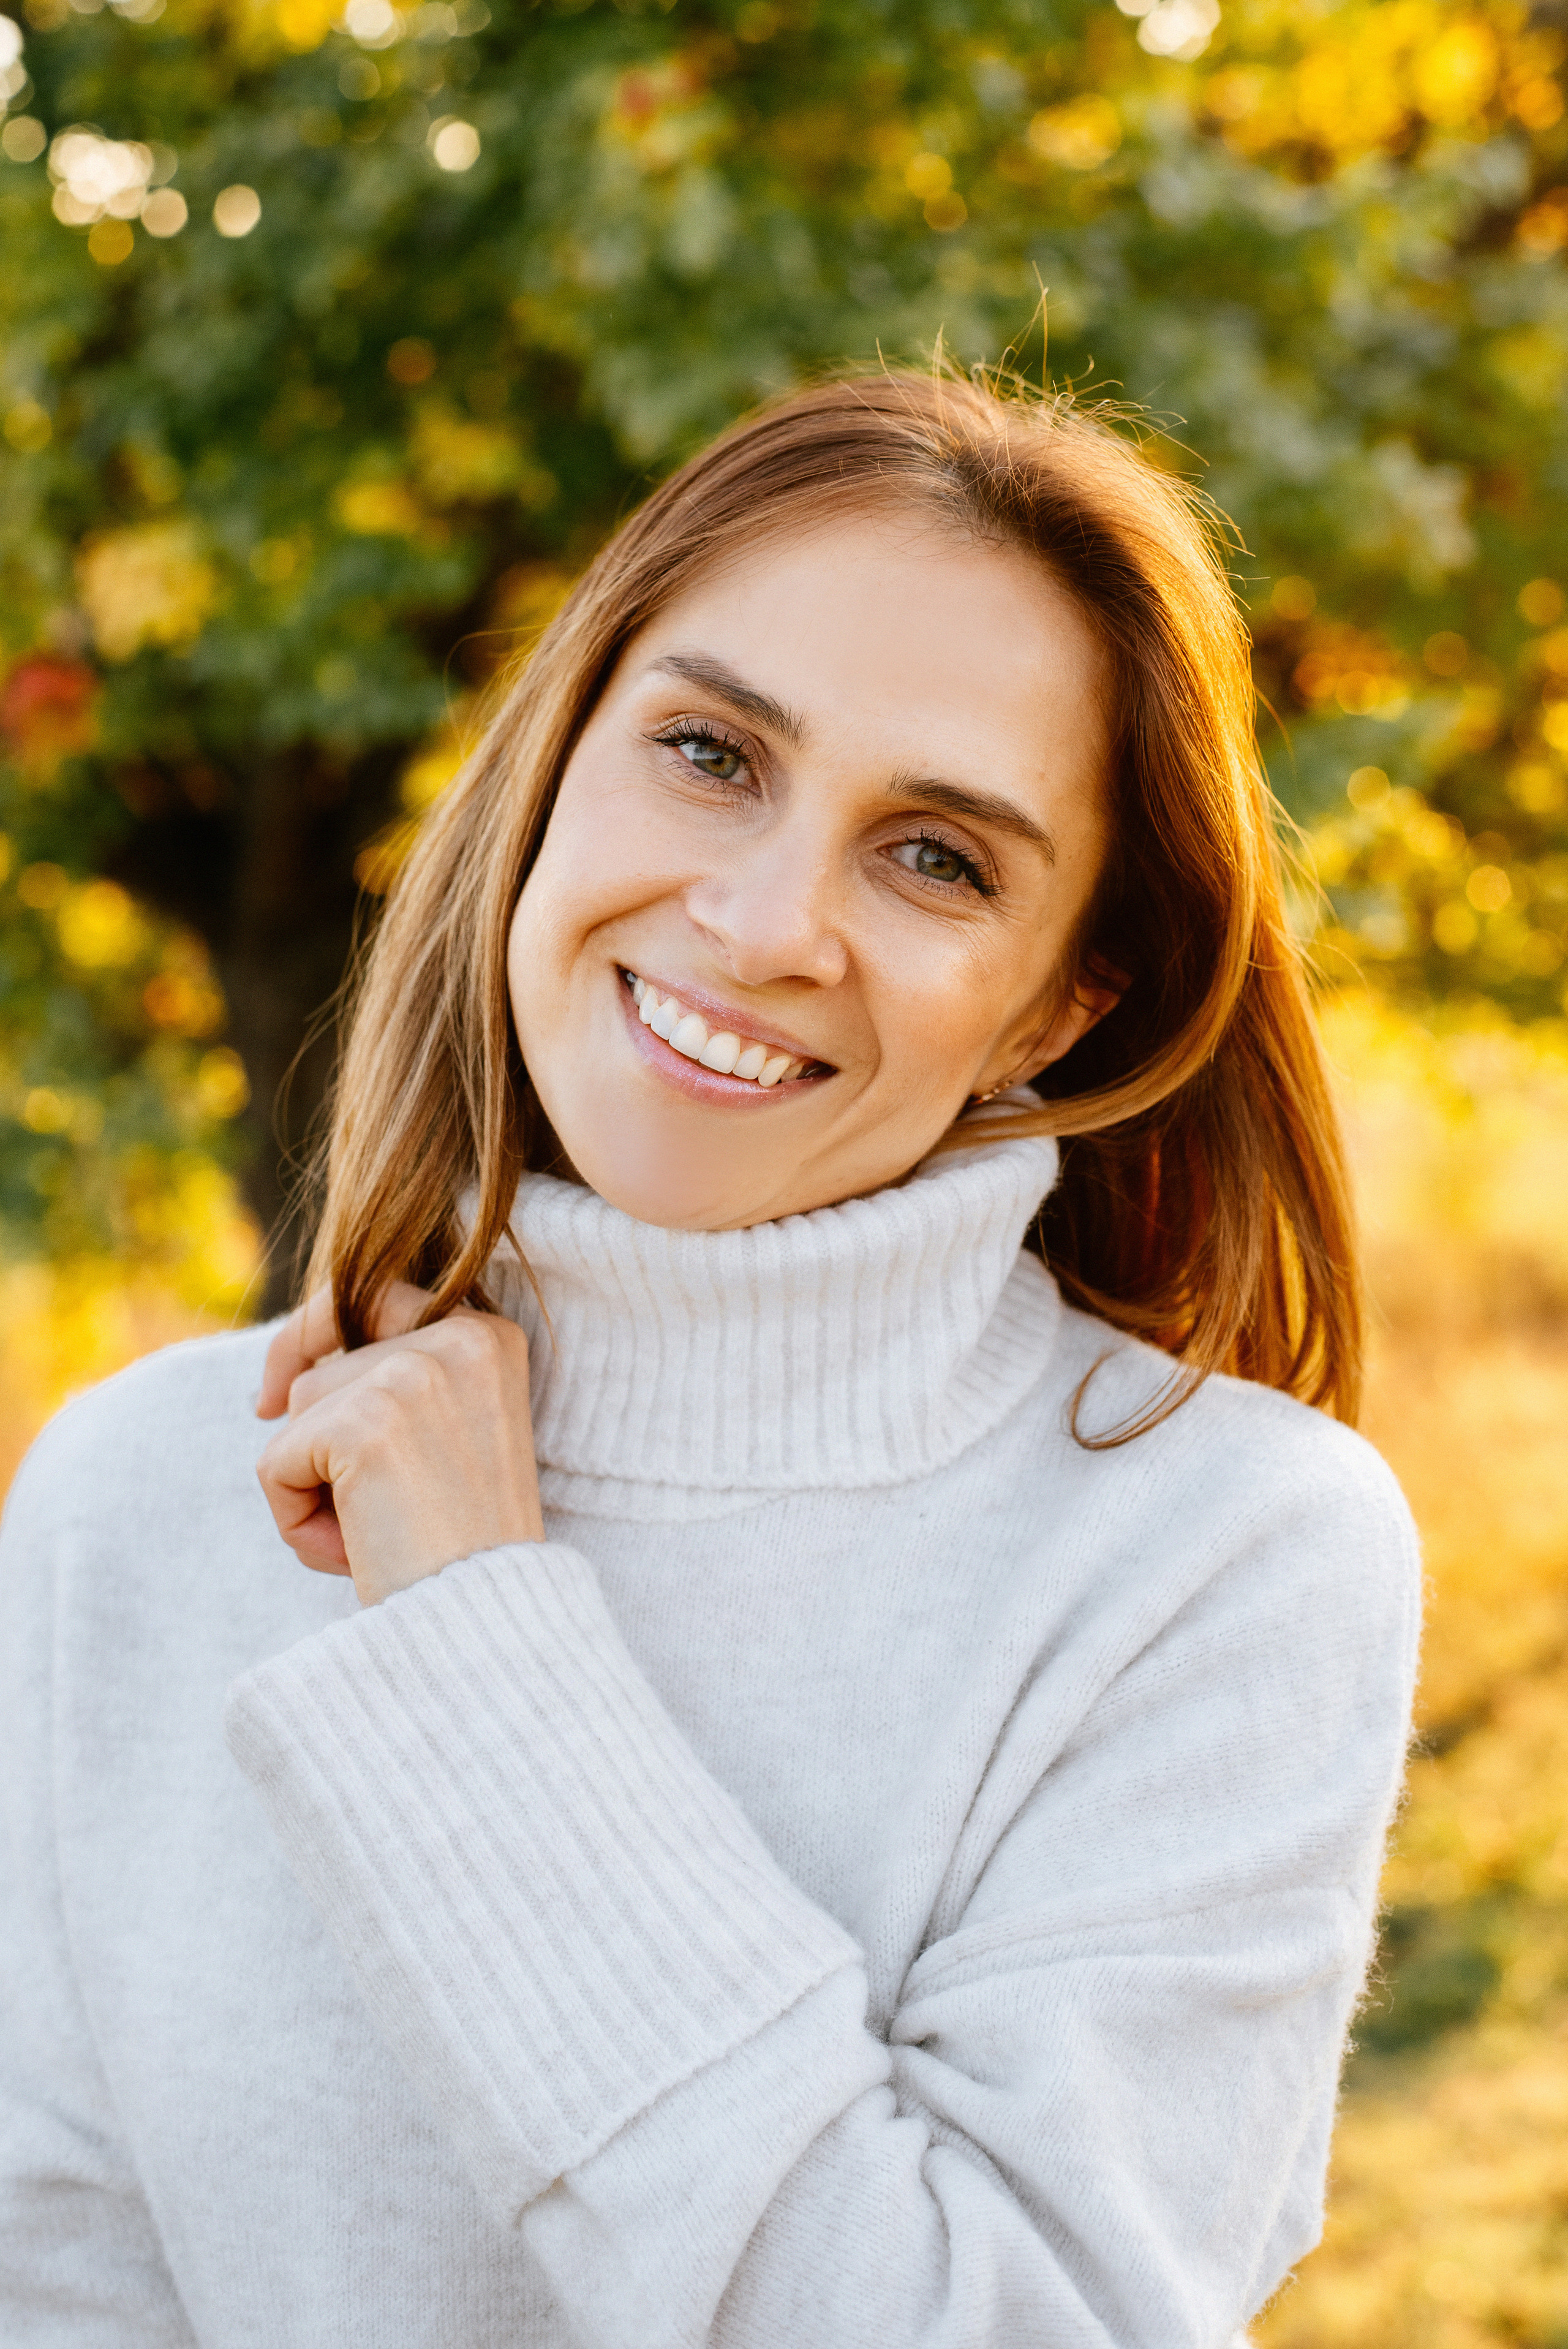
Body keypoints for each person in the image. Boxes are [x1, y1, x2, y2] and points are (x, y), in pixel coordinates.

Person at [0, 370, 1419, 2348]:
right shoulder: (135, 1493)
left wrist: (479, 1650)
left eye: (939, 857)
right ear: (559, 755)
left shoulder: (1219, 1552)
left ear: (1058, 1007)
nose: (763, 925)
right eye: (708, 751)